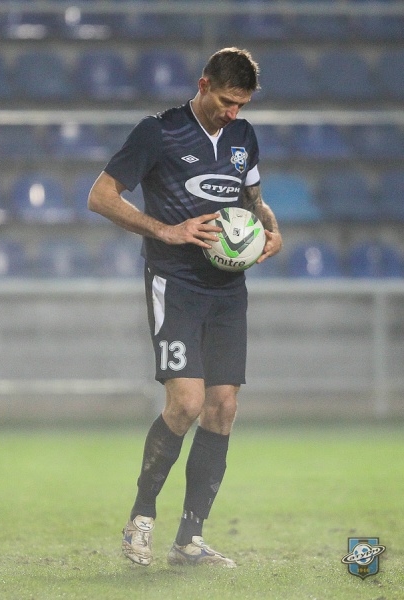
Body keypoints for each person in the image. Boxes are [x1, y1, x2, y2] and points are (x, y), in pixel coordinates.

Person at [88, 47, 282, 568]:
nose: (232, 113)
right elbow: (101, 196)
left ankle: (189, 540)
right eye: (225, 101)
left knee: (223, 408)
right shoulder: (158, 132)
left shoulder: (243, 136)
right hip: (175, 283)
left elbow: (253, 200)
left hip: (228, 290)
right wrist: (165, 230)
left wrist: (271, 228)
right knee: (187, 403)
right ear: (203, 85)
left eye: (241, 105)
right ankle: (140, 518)